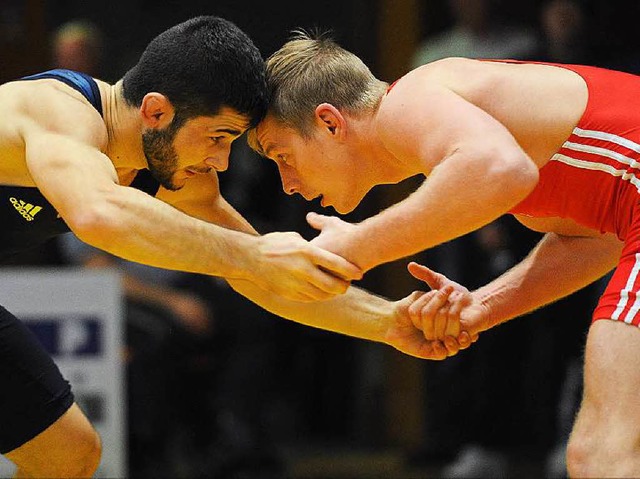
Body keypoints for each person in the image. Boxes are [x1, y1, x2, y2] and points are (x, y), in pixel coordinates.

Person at [0, 16, 447, 477]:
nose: (220, 160)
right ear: (156, 113)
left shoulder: (178, 174)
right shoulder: (56, 112)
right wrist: (252, 256)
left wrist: (390, 324)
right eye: (217, 137)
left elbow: (265, 279)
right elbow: (97, 214)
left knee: (67, 455)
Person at [248, 30, 640, 476]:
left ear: (330, 122)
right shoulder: (489, 137)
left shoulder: (409, 100)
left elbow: (498, 169)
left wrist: (356, 246)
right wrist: (482, 307)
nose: (287, 183)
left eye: (282, 155)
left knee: (602, 452)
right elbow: (596, 237)